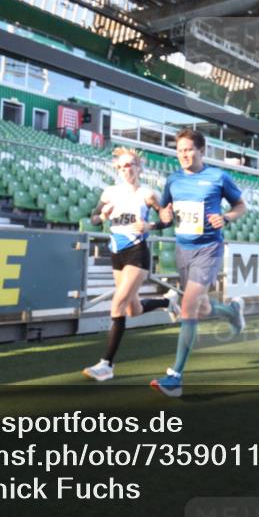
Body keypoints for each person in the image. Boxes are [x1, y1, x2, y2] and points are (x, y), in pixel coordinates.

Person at [150, 129, 247, 397]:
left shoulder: (218, 177)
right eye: (179, 150)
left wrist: (226, 217)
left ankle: (176, 378)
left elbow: (241, 206)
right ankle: (232, 312)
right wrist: (163, 212)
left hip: (209, 248)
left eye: (189, 149)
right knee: (202, 308)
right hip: (184, 249)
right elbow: (165, 212)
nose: (183, 154)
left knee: (188, 307)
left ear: (202, 150)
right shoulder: (173, 180)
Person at [82, 148, 177, 382]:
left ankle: (107, 364)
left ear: (139, 167)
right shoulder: (110, 192)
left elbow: (168, 219)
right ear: (118, 169)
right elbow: (92, 218)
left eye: (131, 165)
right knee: (132, 310)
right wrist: (102, 217)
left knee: (118, 303)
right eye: (122, 166)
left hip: (137, 252)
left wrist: (150, 227)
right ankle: (167, 301)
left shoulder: (148, 193)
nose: (127, 169)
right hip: (116, 252)